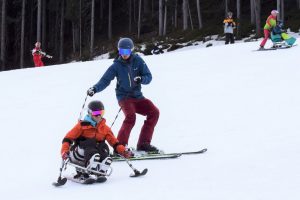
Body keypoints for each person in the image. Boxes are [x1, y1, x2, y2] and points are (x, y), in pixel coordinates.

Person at [87, 37, 160, 153]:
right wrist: (94, 88)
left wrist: (141, 79)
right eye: (121, 52)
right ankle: (120, 146)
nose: (124, 54)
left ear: (131, 50)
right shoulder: (116, 66)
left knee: (154, 112)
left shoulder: (138, 61)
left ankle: (143, 144)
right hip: (124, 97)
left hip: (138, 96)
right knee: (131, 116)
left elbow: (148, 77)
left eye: (126, 52)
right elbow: (105, 80)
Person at [60, 100, 133, 180]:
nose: (99, 116)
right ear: (90, 113)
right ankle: (88, 167)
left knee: (103, 146)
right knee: (90, 143)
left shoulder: (105, 128)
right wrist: (64, 151)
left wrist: (123, 151)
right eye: (96, 113)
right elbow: (67, 139)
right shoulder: (81, 125)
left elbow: (114, 143)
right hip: (79, 154)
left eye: (101, 113)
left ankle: (101, 169)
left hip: (95, 153)